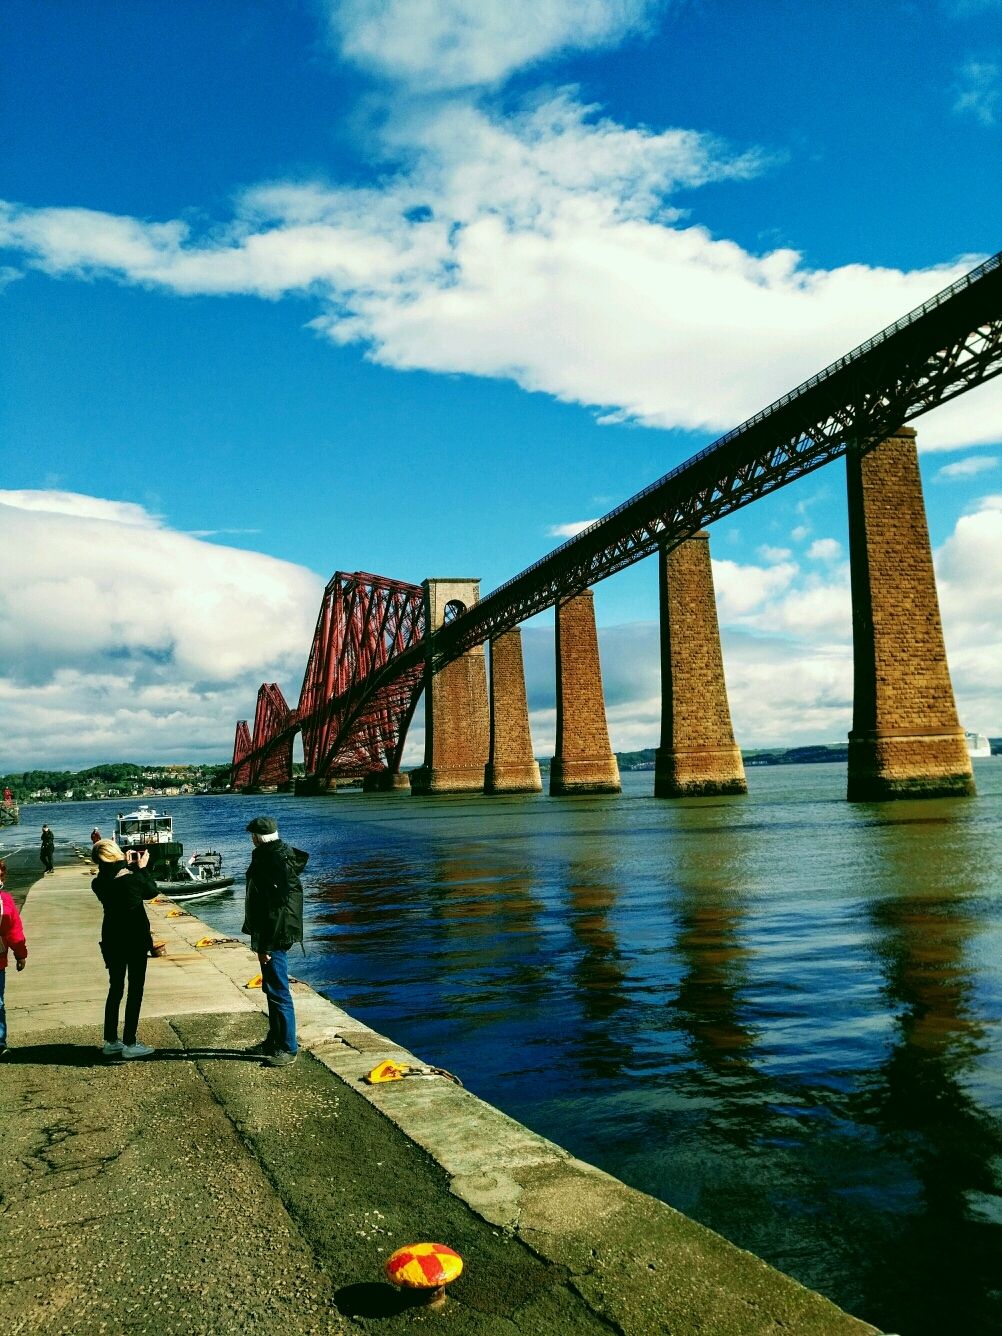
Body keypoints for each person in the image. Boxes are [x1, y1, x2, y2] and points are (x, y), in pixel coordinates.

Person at [242, 816, 308, 1067]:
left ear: (258, 838)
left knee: (279, 991)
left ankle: (288, 1047)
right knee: (271, 988)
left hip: (275, 935)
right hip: (276, 931)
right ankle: (274, 1040)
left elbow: (275, 908)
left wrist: (266, 945)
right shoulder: (277, 855)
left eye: (253, 835)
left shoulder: (271, 860)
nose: (251, 839)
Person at [91, 838, 158, 1059]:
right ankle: (130, 1042)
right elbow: (151, 891)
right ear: (115, 855)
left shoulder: (98, 883)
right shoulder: (131, 880)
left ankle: (111, 1041)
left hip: (112, 939)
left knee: (116, 989)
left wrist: (127, 866)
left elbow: (115, 878)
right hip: (134, 939)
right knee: (135, 990)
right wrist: (142, 868)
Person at [0, 870, 28, 1055]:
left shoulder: (5, 900)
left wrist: (20, 954)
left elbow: (14, 930)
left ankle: (0, 1042)